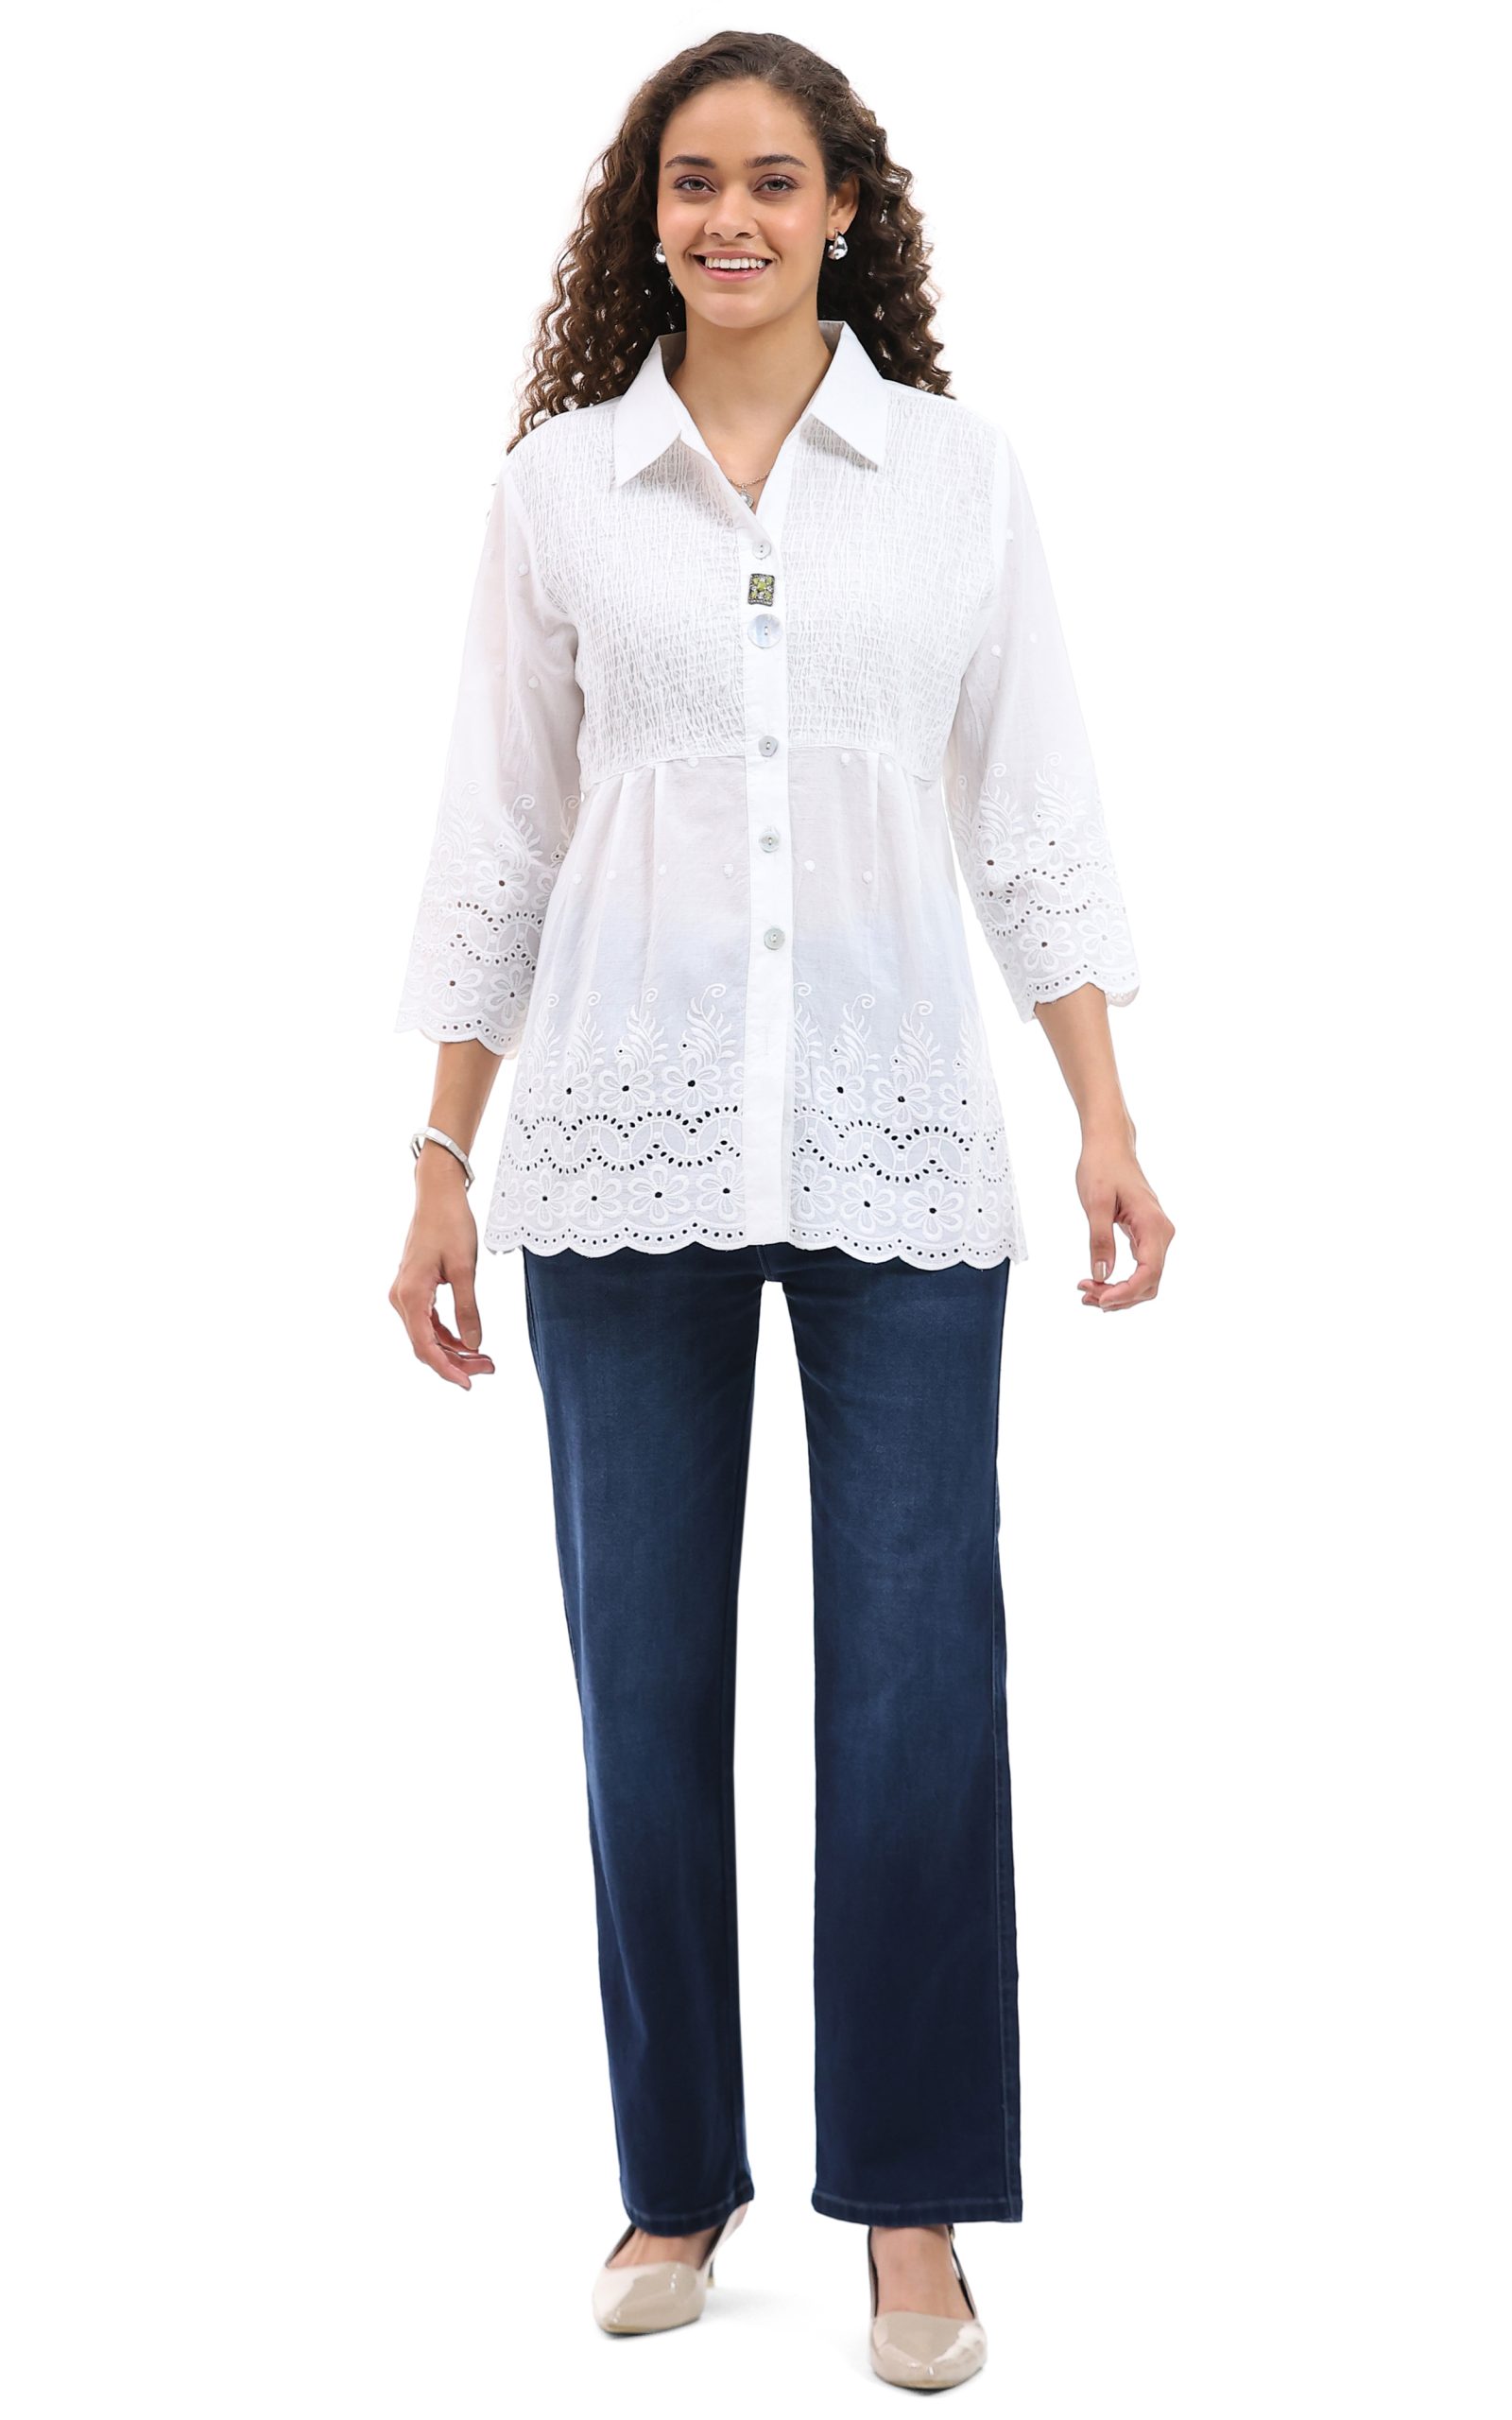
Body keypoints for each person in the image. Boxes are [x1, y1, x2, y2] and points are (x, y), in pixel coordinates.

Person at [388, 29, 1174, 2394]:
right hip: (614, 1144)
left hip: (896, 1139)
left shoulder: (953, 479)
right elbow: (498, 834)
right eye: (688, 180)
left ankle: (908, 2202)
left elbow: (1030, 804)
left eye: (769, 178)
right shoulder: (557, 490)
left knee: (917, 1693)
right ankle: (676, 2173)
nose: (725, 215)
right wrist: (439, 1157)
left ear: (845, 209)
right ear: (644, 219)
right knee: (641, 1690)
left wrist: (1103, 1115)